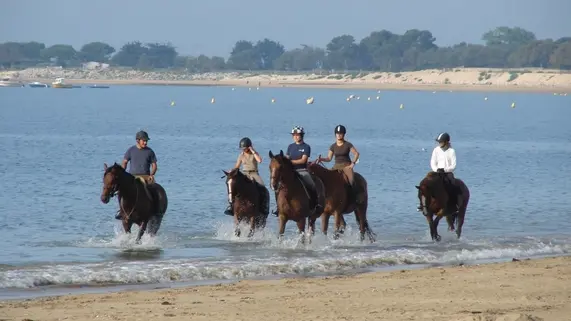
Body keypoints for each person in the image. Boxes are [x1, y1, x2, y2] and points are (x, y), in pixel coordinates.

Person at [272, 126, 324, 216]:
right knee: (278, 187)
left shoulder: (306, 147)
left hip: (302, 170)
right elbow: (287, 158)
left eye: (298, 135)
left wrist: (290, 162)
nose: (296, 136)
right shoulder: (290, 147)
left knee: (311, 184)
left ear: (302, 135)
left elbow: (303, 160)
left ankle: (315, 205)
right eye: (294, 135)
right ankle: (278, 207)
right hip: (291, 171)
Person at [115, 130, 158, 220]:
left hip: (145, 176)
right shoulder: (131, 150)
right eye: (144, 140)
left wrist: (152, 174)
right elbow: (125, 162)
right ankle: (121, 210)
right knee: (121, 191)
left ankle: (155, 209)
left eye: (146, 141)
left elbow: (154, 165)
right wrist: (122, 173)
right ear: (138, 140)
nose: (145, 142)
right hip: (132, 177)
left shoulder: (150, 152)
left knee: (153, 190)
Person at [224, 137, 269, 216]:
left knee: (263, 188)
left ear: (249, 147)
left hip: (254, 173)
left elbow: (259, 160)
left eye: (245, 148)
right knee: (233, 186)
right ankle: (231, 207)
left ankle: (264, 206)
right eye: (242, 149)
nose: (244, 150)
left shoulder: (254, 153)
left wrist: (253, 151)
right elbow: (237, 166)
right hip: (244, 174)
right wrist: (231, 171)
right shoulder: (241, 155)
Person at [317, 125, 360, 200]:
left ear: (344, 134)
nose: (339, 135)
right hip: (336, 166)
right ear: (335, 134)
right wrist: (321, 159)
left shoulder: (348, 144)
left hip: (346, 166)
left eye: (341, 133)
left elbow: (356, 153)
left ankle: (355, 198)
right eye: (337, 133)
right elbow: (329, 158)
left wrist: (353, 163)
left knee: (351, 180)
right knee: (326, 178)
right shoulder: (333, 146)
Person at [427, 132, 462, 212]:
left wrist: (445, 169)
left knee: (452, 183)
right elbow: (433, 161)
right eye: (439, 142)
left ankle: (455, 204)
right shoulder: (436, 150)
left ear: (446, 142)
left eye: (441, 142)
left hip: (447, 173)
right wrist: (436, 169)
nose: (439, 143)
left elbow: (453, 165)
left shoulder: (451, 151)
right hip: (436, 172)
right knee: (426, 183)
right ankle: (423, 205)